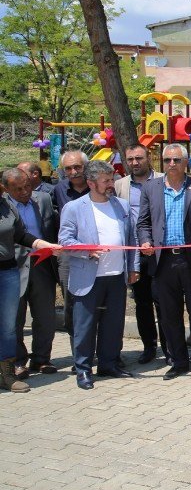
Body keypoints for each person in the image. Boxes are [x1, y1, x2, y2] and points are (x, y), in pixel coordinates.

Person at [58, 160, 139, 390]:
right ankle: (83, 369)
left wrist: (134, 268)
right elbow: (65, 240)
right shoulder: (74, 208)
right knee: (84, 326)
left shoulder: (121, 206)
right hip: (88, 276)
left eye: (111, 179)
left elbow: (131, 239)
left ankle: (109, 364)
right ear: (91, 183)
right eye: (106, 181)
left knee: (113, 324)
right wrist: (88, 250)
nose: (111, 184)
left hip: (116, 275)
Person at [136, 144, 191, 380]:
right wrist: (146, 241)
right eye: (167, 160)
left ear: (186, 162)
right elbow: (143, 223)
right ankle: (178, 361)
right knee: (170, 314)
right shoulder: (151, 188)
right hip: (163, 261)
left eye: (176, 160)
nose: (171, 164)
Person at [0, 173, 58, 393]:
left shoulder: (6, 206)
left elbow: (21, 235)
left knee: (8, 326)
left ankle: (7, 374)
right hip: (13, 269)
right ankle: (13, 365)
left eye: (27, 187)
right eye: (18, 189)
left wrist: (45, 245)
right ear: (6, 187)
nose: (24, 192)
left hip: (8, 272)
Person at [114, 144, 163, 364]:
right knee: (142, 303)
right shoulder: (119, 186)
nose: (135, 163)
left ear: (148, 157)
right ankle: (149, 346)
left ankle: (170, 347)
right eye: (130, 159)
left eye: (139, 158)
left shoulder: (164, 179)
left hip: (162, 252)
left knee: (165, 302)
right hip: (135, 253)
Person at [52, 150, 89, 352]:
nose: (73, 172)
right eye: (68, 168)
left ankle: (106, 352)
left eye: (77, 167)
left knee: (100, 305)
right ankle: (79, 354)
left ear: (85, 166)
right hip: (70, 257)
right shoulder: (59, 190)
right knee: (71, 304)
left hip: (98, 254)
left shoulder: (97, 186)